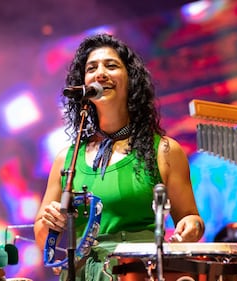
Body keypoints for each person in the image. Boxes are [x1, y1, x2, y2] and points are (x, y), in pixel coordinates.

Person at [34, 33, 204, 280]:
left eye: (111, 66)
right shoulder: (66, 159)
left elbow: (191, 218)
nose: (100, 73)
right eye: (92, 68)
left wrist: (191, 226)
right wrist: (52, 222)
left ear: (131, 80)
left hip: (136, 272)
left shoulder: (165, 150)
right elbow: (43, 240)